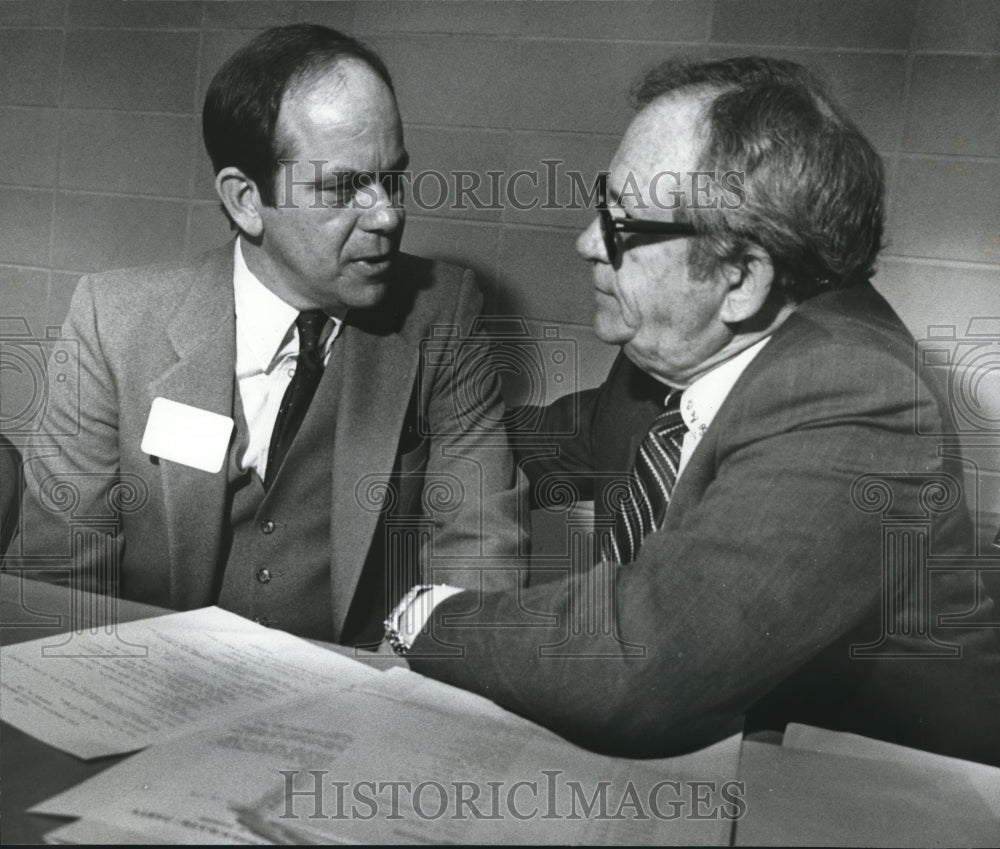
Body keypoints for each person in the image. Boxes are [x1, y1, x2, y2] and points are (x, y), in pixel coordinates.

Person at [394, 57, 1000, 765]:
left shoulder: (859, 398)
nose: (587, 242)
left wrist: (430, 616)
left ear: (739, 277)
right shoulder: (675, 352)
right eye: (600, 203)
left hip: (885, 796)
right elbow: (525, 439)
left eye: (622, 225)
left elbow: (643, 658)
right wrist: (391, 413)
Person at [10, 24, 524, 647]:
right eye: (343, 187)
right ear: (246, 201)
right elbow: (57, 584)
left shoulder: (444, 314)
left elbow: (478, 560)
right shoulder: (112, 322)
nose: (388, 216)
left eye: (393, 178)